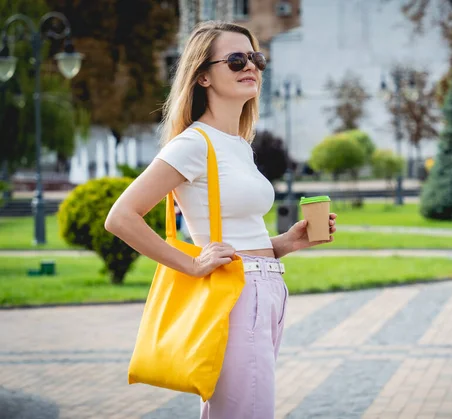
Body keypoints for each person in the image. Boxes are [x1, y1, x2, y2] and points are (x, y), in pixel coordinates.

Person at [104, 21, 337, 419]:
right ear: (203, 76)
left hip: (265, 288)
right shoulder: (194, 143)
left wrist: (286, 242)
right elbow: (121, 216)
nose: (250, 66)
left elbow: (236, 229)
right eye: (235, 59)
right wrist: (192, 265)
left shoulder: (238, 145)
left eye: (255, 58)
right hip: (235, 293)